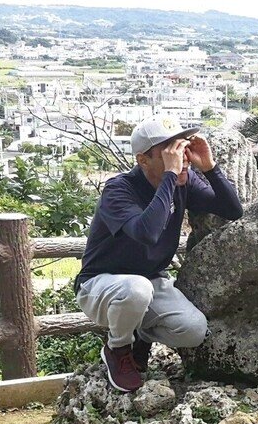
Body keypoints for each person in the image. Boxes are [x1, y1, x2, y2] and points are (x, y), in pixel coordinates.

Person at [75, 117, 243, 391]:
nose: (179, 157)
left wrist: (210, 168)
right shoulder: (118, 190)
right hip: (99, 285)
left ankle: (140, 334)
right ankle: (118, 350)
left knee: (193, 330)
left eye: (181, 147)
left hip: (151, 282)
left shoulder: (182, 184)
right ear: (143, 160)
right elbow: (147, 232)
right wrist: (170, 177)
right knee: (136, 290)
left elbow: (233, 210)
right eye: (169, 151)